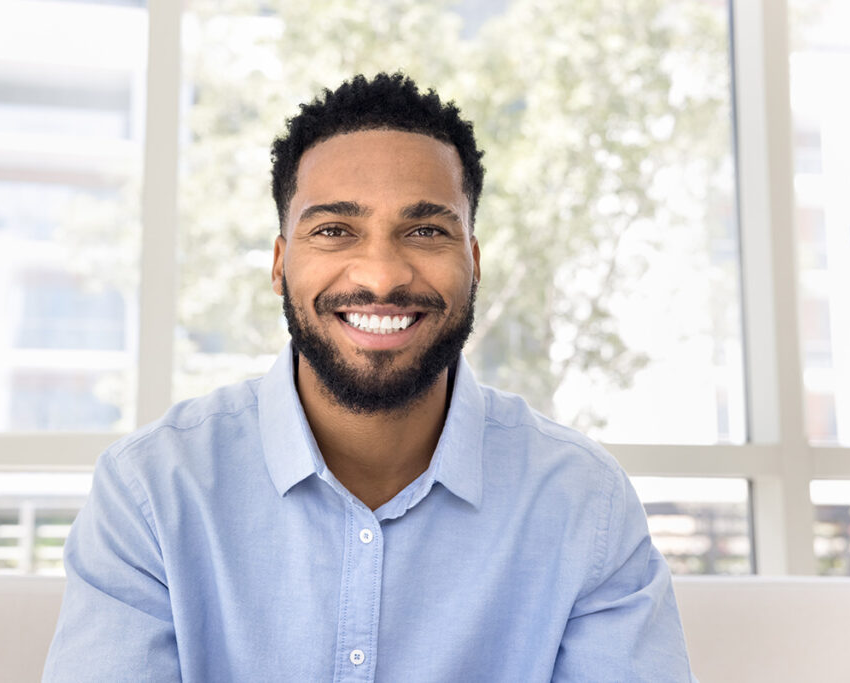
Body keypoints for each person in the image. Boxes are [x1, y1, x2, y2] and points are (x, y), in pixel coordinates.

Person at [43, 72, 696, 682]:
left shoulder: (584, 503)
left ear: (472, 259)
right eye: (334, 229)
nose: (381, 276)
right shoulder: (151, 492)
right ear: (280, 262)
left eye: (424, 230)